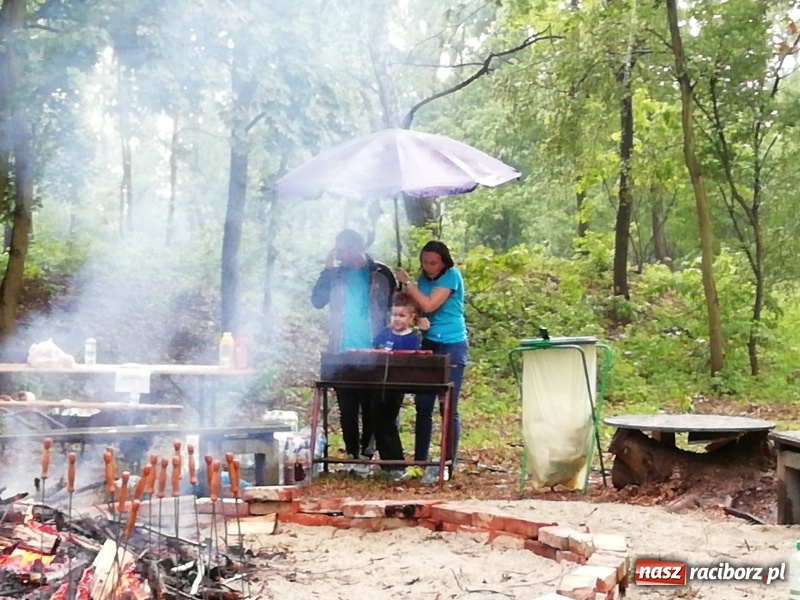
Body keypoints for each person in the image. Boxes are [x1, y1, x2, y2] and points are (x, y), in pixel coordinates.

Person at [311, 229, 395, 475]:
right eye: (337, 251)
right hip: (341, 348)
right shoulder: (336, 274)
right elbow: (317, 301)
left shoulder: (381, 273)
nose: (340, 255)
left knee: (371, 406)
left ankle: (366, 456)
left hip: (374, 347)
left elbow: (395, 305)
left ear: (357, 247)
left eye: (343, 250)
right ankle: (351, 454)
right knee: (346, 405)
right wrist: (326, 270)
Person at [395, 241, 468, 484]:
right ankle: (420, 463)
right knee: (423, 404)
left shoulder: (451, 277)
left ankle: (446, 463)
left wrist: (408, 283)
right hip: (429, 342)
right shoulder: (422, 279)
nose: (429, 267)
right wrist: (419, 320)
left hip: (452, 345)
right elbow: (420, 309)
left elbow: (429, 304)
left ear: (444, 262)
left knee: (447, 405)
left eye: (433, 263)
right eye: (425, 262)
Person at [371, 292, 421, 479]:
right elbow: (374, 350)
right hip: (379, 384)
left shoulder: (412, 339)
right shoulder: (384, 334)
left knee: (388, 422)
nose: (397, 319)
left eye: (401, 315)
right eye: (394, 315)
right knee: (376, 420)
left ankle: (397, 463)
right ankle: (386, 464)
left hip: (396, 385)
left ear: (411, 317)